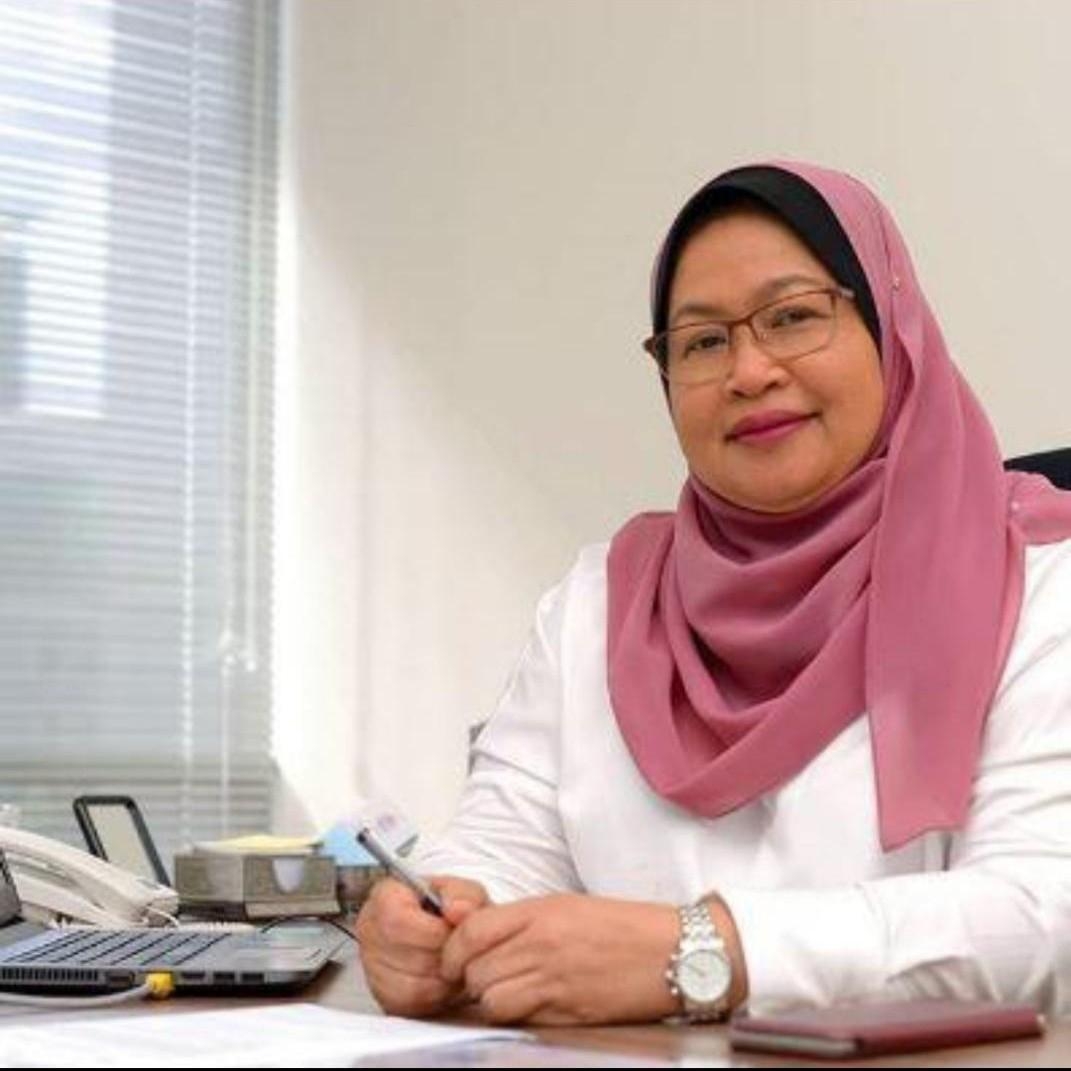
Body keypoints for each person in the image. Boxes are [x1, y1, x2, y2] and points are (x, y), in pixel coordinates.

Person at [355, 161, 1071, 1026]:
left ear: (892, 331)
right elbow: (503, 848)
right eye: (701, 342)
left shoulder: (1041, 583)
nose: (749, 370)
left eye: (793, 316)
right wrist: (437, 916)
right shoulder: (599, 603)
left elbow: (1041, 914)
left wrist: (703, 952)